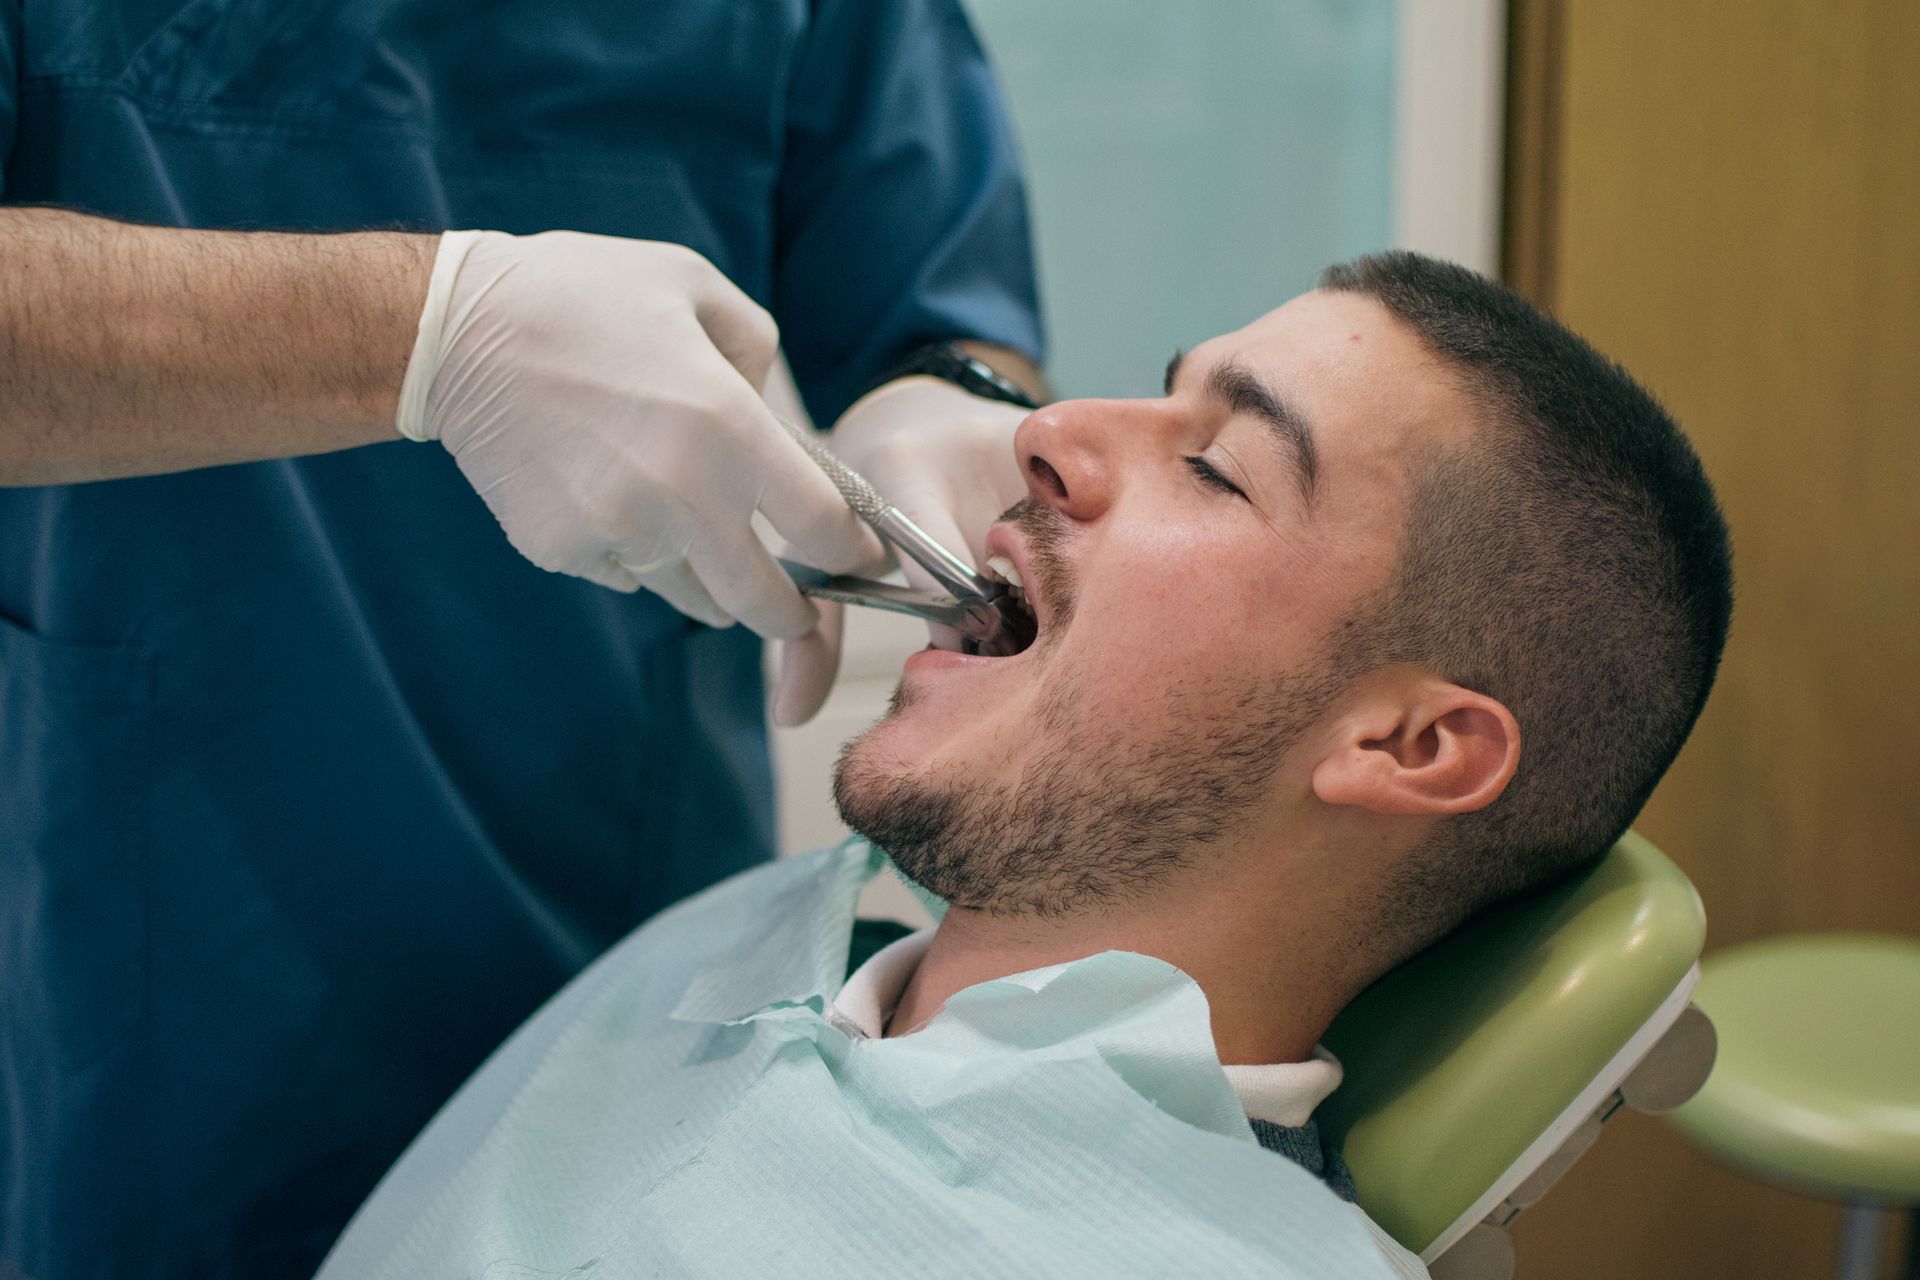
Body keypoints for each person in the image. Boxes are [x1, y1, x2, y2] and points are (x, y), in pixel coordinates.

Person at [309, 252, 1736, 1279]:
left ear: (1408, 746)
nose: (1044, 432)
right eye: (1157, 396)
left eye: (1221, 466)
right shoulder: (760, 942)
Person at [0, 3, 1044, 1274]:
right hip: (139, 934)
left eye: (1218, 464)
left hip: (616, 930)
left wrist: (945, 396)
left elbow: (938, 294)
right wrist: (429, 329)